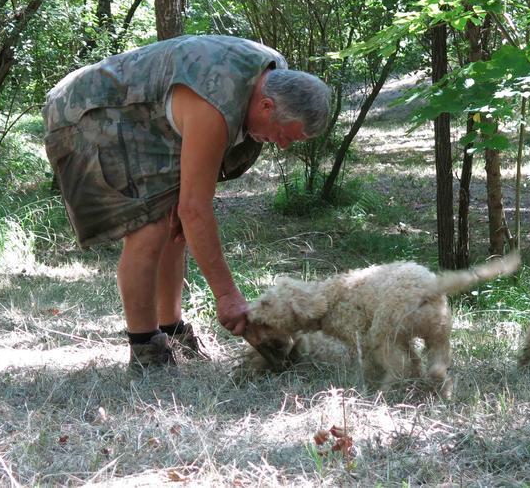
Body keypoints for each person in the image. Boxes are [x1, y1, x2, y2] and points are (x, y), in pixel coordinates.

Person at [43, 34, 330, 370]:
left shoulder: (274, 76)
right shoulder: (214, 102)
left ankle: (171, 329)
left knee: (172, 225)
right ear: (266, 106)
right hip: (90, 111)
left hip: (149, 120)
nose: (281, 145)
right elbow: (195, 209)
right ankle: (145, 349)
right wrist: (227, 297)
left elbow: (187, 210)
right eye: (284, 134)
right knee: (148, 228)